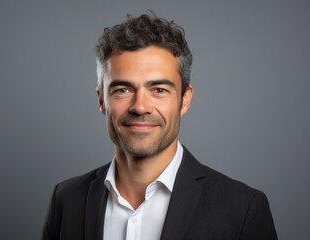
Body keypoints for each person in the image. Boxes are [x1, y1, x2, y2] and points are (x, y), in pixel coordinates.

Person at [42, 13, 277, 240]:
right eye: (122, 89)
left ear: (185, 99)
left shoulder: (243, 209)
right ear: (101, 100)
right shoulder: (66, 200)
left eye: (159, 90)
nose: (140, 107)